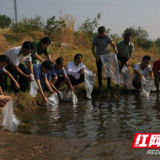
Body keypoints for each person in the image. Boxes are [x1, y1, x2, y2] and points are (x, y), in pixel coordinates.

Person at [91, 26, 118, 91]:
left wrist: (115, 49)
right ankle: (100, 85)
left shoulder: (108, 36)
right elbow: (93, 48)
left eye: (103, 34)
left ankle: (109, 85)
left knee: (108, 70)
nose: (102, 35)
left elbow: (113, 44)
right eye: (100, 34)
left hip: (107, 56)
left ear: (105, 32)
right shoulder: (96, 38)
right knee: (99, 71)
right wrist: (96, 57)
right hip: (99, 56)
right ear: (98, 33)